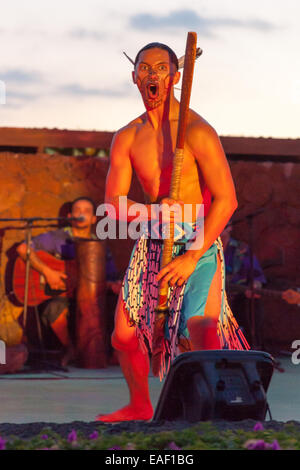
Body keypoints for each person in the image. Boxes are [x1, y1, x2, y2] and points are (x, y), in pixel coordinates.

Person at [97, 42, 248, 423]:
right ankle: (140, 404)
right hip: (153, 238)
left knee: (200, 331)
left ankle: (214, 413)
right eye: (144, 68)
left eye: (161, 69)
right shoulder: (127, 136)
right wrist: (151, 211)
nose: (152, 75)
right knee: (124, 335)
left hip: (198, 239)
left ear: (176, 77)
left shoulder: (197, 131)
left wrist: (193, 256)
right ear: (134, 77)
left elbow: (227, 200)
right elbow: (113, 204)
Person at [16, 196, 121, 366]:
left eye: (86, 211)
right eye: (77, 211)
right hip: (65, 297)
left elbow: (110, 278)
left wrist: (114, 285)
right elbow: (23, 248)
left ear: (94, 218)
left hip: (89, 300)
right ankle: (71, 350)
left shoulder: (99, 246)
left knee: (113, 304)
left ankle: (108, 353)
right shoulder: (58, 237)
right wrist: (48, 272)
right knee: (54, 307)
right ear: (70, 215)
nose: (81, 214)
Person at [220, 221, 267, 349]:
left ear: (229, 228)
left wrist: (255, 286)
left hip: (237, 298)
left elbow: (256, 275)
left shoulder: (241, 249)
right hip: (211, 297)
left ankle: (253, 349)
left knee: (252, 305)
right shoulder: (205, 248)